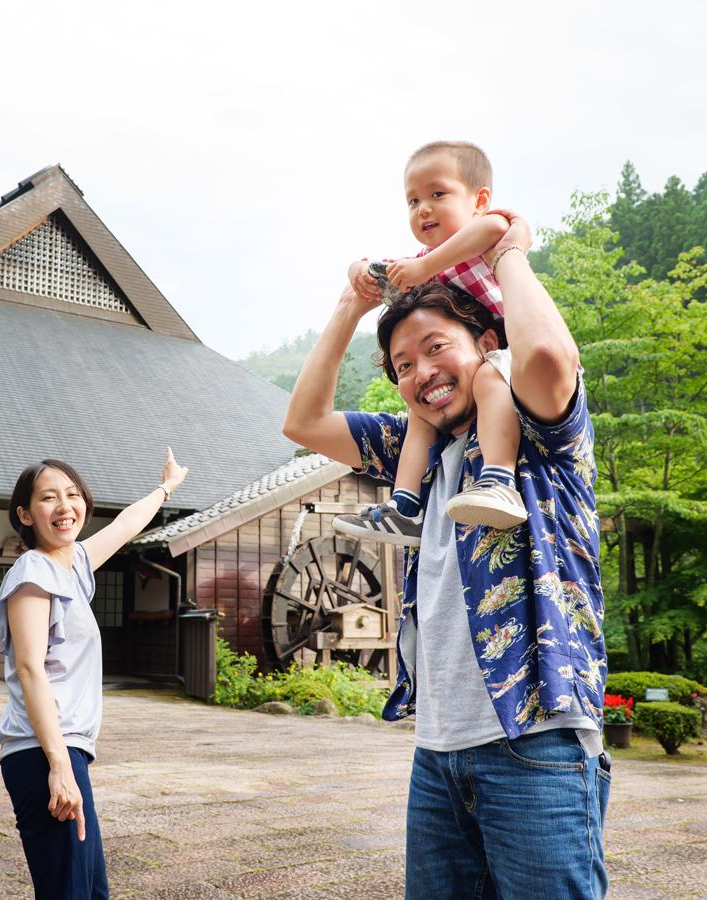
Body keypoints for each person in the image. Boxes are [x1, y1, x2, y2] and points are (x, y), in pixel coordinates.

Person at [283, 212, 611, 899]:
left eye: (437, 349)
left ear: (487, 344)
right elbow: (304, 422)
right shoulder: (420, 450)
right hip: (436, 751)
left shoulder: (536, 433)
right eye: (404, 365)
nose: (422, 374)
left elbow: (548, 358)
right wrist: (353, 304)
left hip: (537, 742)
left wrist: (509, 255)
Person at [0, 449, 188, 899]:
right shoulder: (33, 571)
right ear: (24, 513)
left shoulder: (74, 564)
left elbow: (124, 527)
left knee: (89, 889)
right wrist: (59, 766)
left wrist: (167, 487)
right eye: (48, 498)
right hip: (43, 752)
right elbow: (30, 668)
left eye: (72, 494)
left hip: (64, 749)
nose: (64, 506)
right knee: (69, 892)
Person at [334, 141, 527, 548]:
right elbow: (378, 272)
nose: (423, 208)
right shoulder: (423, 260)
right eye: (413, 200)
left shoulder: (480, 240)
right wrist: (358, 271)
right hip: (480, 360)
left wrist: (424, 267)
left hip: (518, 359)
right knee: (418, 414)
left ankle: (498, 478)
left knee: (490, 376)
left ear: (479, 200)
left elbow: (496, 227)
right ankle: (405, 506)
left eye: (438, 194)